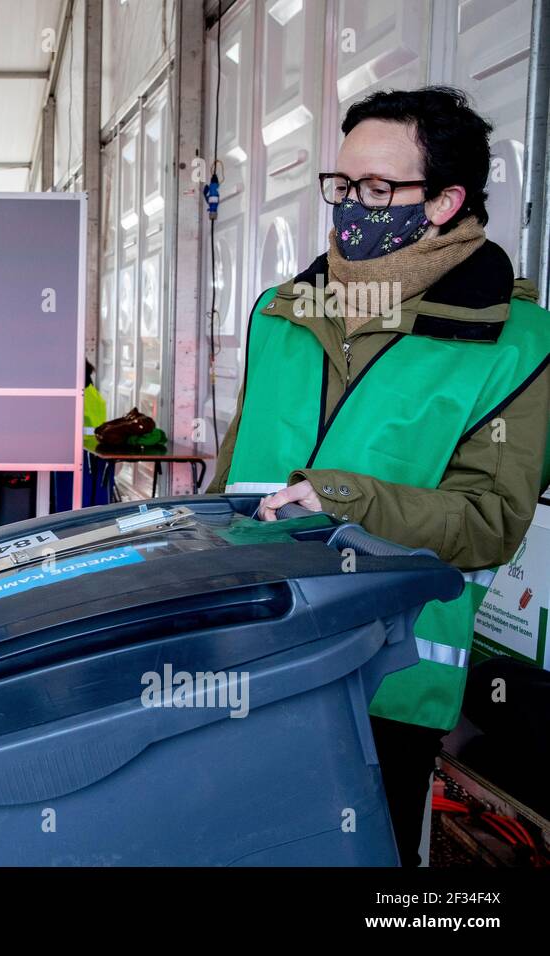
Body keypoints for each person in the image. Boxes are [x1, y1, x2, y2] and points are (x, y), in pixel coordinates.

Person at [208, 86, 550, 865]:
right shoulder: (280, 313)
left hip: (383, 681)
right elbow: (231, 474)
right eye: (342, 186)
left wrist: (341, 499)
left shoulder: (515, 344)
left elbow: (489, 522)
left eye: (376, 190)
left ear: (445, 201)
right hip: (250, 656)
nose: (349, 207)